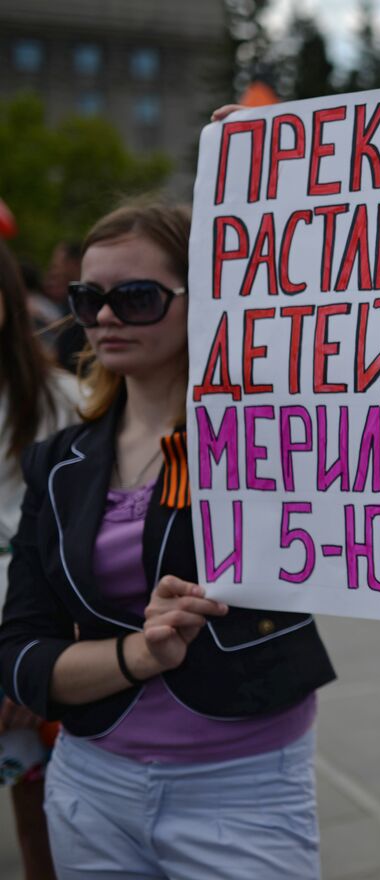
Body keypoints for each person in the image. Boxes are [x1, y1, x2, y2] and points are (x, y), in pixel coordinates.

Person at [0, 201, 336, 879]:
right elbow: (22, 657)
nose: (105, 317)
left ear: (204, 298)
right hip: (91, 784)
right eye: (89, 298)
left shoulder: (274, 440)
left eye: (136, 297)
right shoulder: (58, 462)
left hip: (242, 789)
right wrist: (139, 654)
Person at [1, 236, 77, 880]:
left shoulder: (66, 402)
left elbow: (80, 545)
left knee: (44, 827)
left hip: (29, 641)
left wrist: (35, 663)